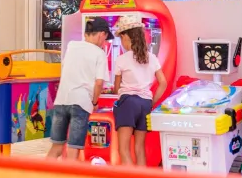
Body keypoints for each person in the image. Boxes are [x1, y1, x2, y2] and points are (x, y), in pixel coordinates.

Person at [47, 17, 112, 160]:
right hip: (81, 103)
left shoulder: (72, 46)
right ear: (102, 34)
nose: (105, 42)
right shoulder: (99, 53)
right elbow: (99, 83)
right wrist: (95, 102)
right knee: (73, 149)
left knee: (56, 147)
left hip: (61, 100)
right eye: (106, 38)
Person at [113, 15, 168, 166]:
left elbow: (116, 88)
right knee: (139, 148)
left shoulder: (122, 59)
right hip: (145, 104)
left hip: (128, 103)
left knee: (123, 149)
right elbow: (163, 82)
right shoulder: (152, 57)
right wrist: (152, 102)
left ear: (125, 37)